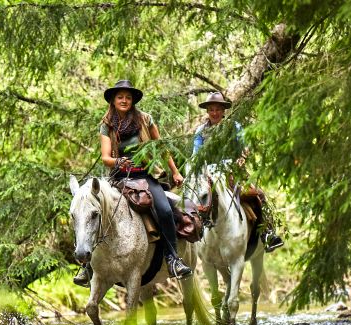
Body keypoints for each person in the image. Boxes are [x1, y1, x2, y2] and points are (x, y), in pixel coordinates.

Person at [73, 80, 193, 287]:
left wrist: (175, 172)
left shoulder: (146, 119)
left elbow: (161, 148)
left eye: (128, 97)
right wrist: (118, 161)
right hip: (119, 178)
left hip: (146, 176)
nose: (124, 100)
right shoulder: (106, 125)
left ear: (133, 101)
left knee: (164, 210)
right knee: (90, 211)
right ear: (113, 100)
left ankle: (173, 259)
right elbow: (105, 158)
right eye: (120, 97)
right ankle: (86, 266)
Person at [193, 91, 284, 252]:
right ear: (207, 111)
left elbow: (245, 147)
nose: (214, 113)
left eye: (218, 109)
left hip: (232, 170)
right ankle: (196, 234)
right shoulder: (200, 131)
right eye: (211, 109)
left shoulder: (234, 126)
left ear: (223, 111)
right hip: (208, 172)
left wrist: (242, 158)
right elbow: (196, 154)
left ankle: (267, 232)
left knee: (258, 194)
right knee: (197, 198)